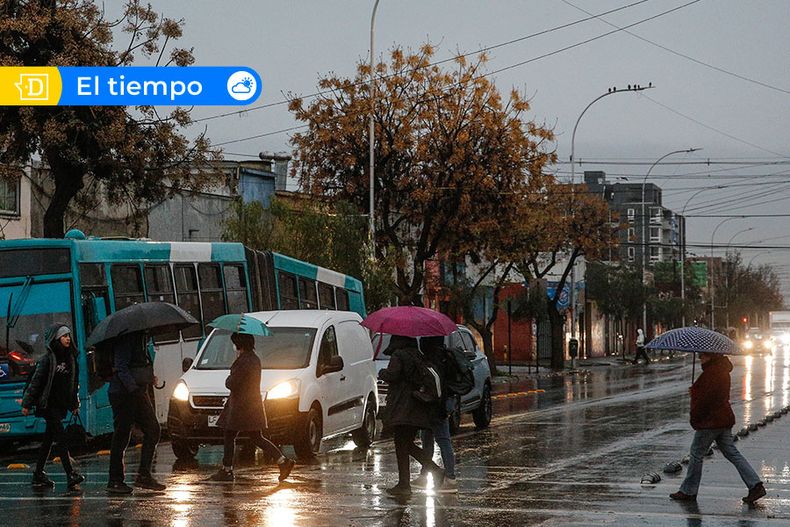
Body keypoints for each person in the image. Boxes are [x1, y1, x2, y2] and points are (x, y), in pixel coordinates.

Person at [670, 352, 766, 503]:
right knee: (732, 453)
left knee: (696, 454)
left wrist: (695, 395)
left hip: (711, 421)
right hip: (723, 418)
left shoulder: (711, 373)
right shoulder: (720, 370)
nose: (700, 358)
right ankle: (755, 485)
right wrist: (696, 390)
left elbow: (706, 399)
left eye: (703, 356)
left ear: (710, 356)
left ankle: (688, 491)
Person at [209, 332, 295, 483]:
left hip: (241, 407)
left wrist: (230, 375)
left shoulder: (243, 361)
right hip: (251, 405)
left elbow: (232, 383)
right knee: (256, 437)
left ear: (239, 344)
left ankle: (227, 470)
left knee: (230, 435)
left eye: (235, 343)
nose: (234, 346)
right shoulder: (254, 359)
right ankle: (283, 461)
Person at [378, 335, 445, 497]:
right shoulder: (417, 354)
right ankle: (409, 481)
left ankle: (409, 482)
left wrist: (382, 373)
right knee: (406, 444)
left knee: (402, 445)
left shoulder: (399, 355)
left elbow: (392, 375)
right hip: (416, 406)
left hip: (403, 406)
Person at [21, 324, 85, 490]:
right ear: (57, 339)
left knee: (48, 440)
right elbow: (36, 382)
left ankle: (38, 474)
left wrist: (74, 404)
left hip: (61, 404)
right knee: (61, 438)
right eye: (64, 336)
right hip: (48, 405)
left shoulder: (71, 358)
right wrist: (27, 403)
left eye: (69, 336)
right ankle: (70, 474)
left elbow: (73, 383)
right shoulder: (48, 359)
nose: (68, 339)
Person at [107, 332, 164, 494]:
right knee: (122, 434)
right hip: (124, 393)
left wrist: (148, 377)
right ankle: (115, 480)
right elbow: (121, 367)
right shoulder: (126, 338)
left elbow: (138, 365)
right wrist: (134, 388)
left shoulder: (142, 338)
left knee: (153, 430)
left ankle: (144, 475)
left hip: (137, 391)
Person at [411, 336, 457, 493]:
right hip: (445, 402)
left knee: (441, 440)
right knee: (428, 438)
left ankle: (450, 478)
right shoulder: (445, 357)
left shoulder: (432, 360)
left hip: (436, 405)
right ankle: (425, 474)